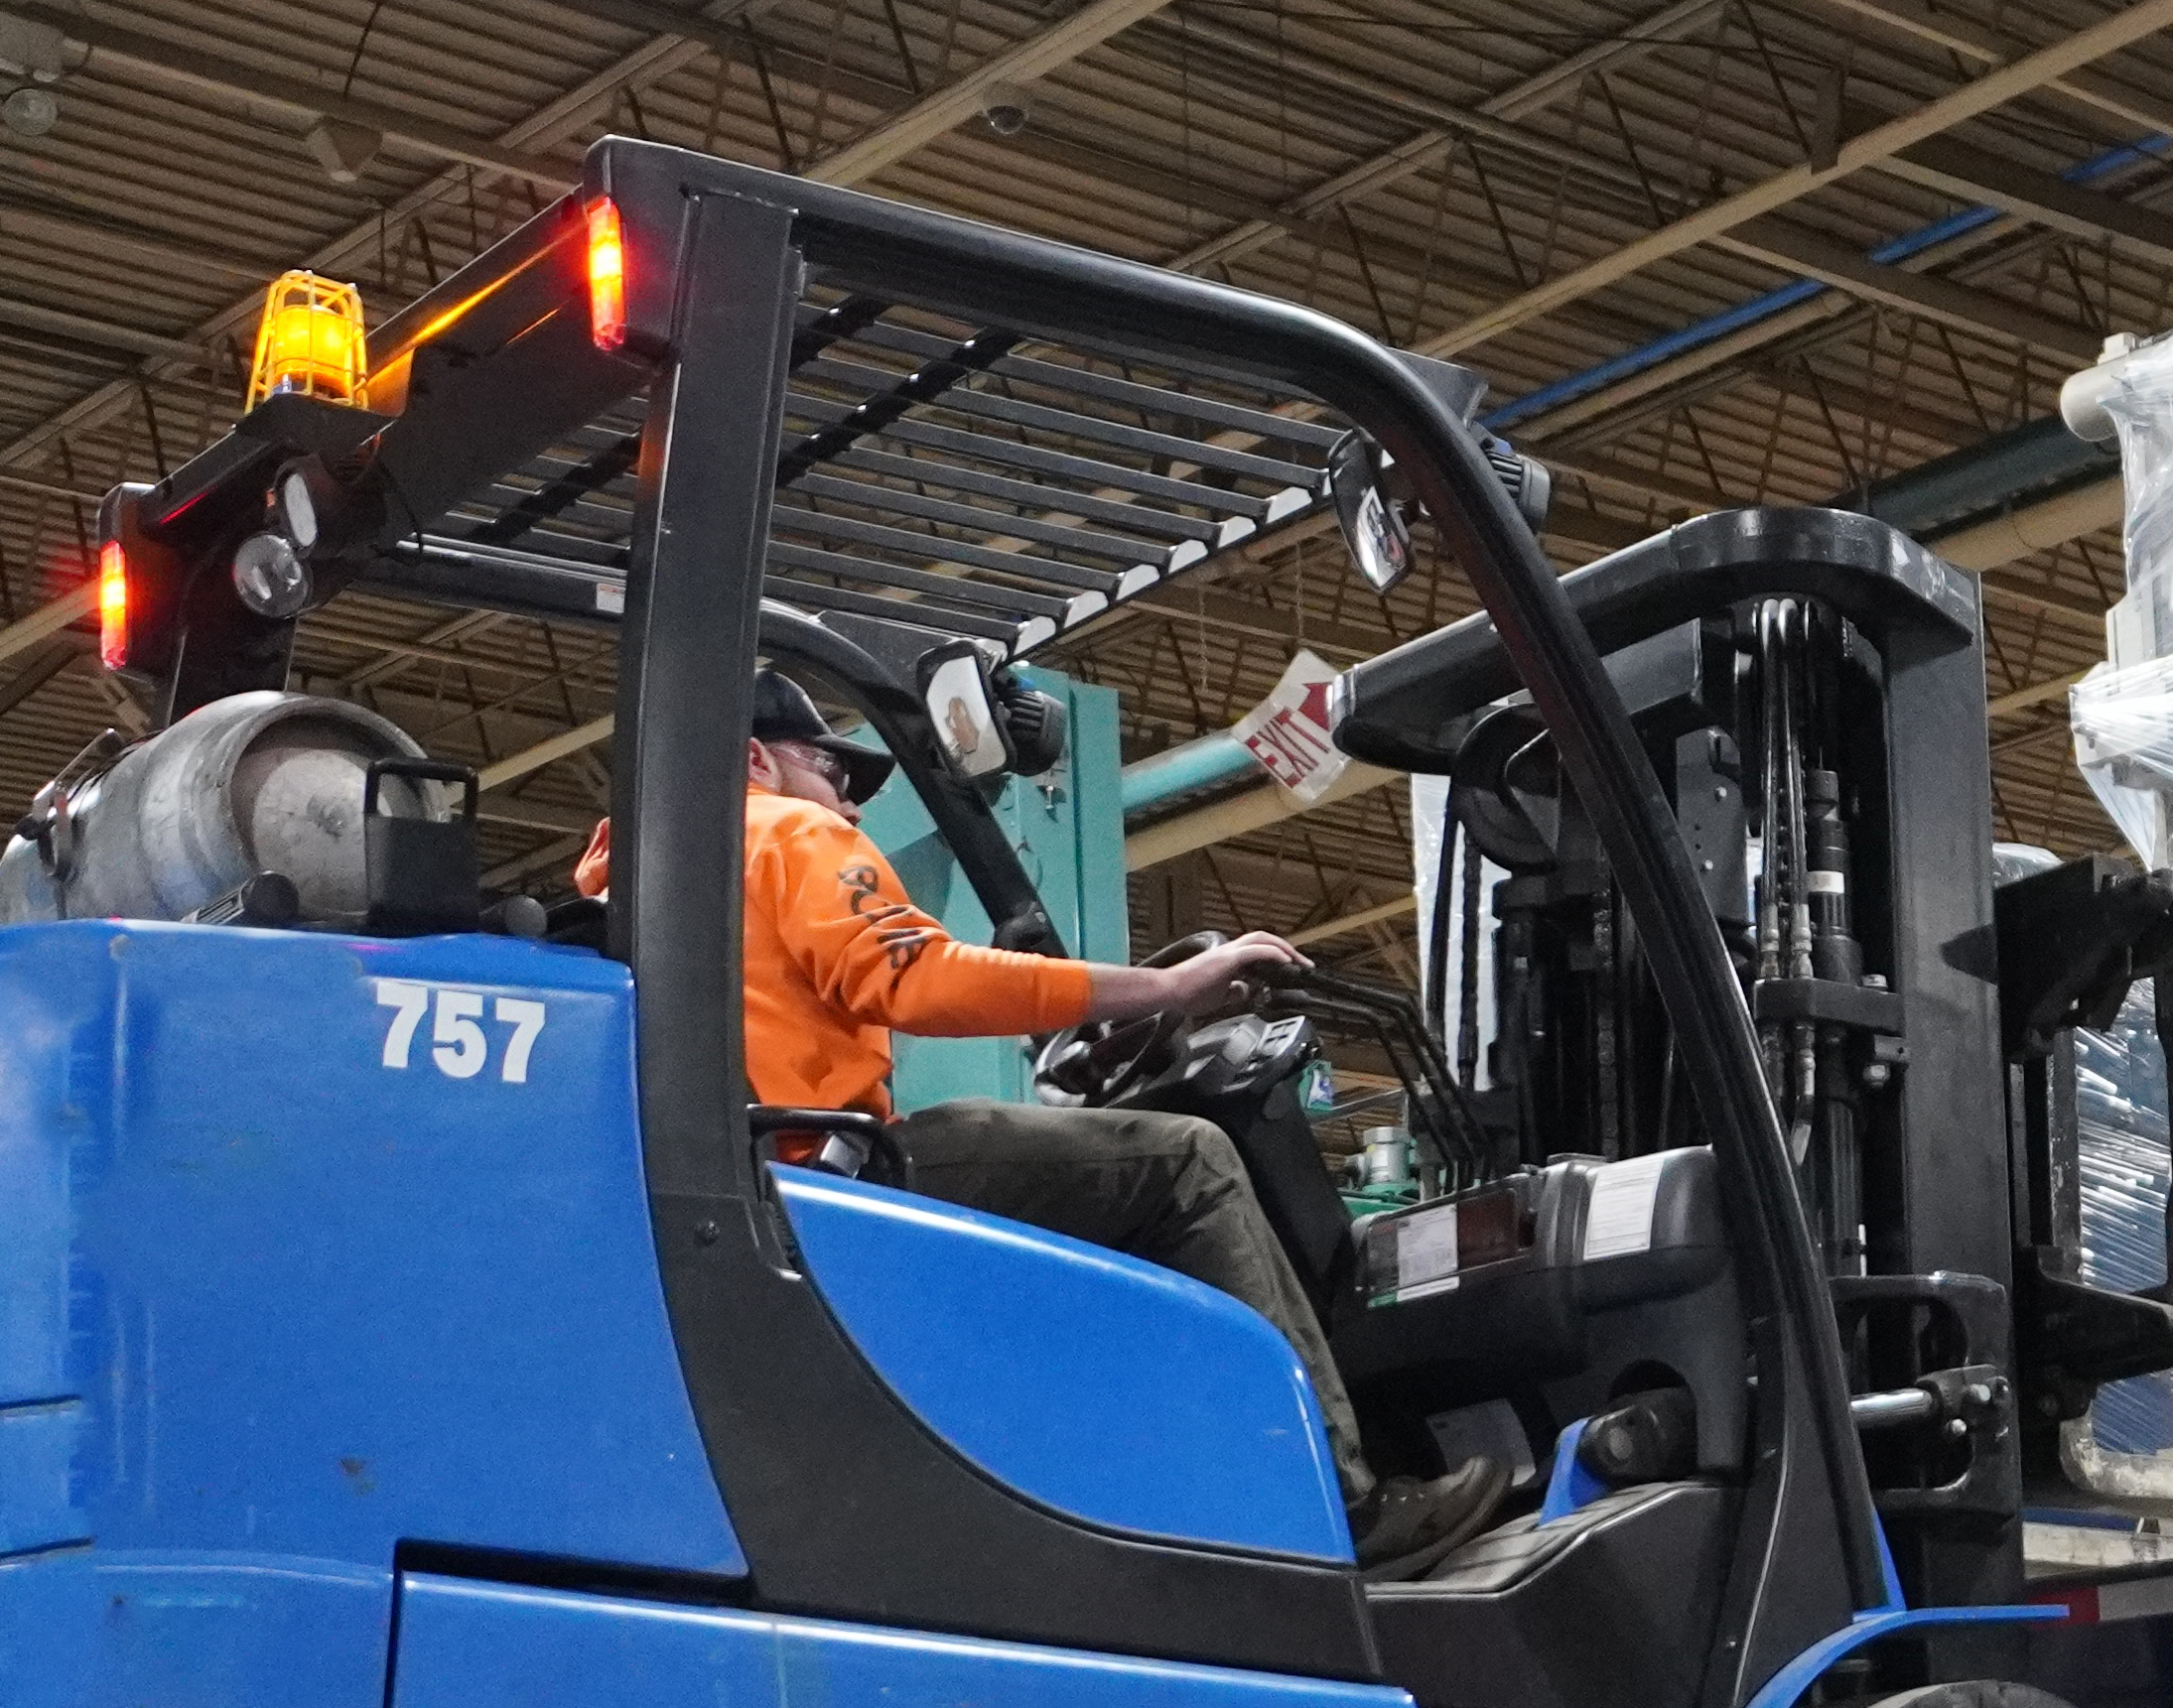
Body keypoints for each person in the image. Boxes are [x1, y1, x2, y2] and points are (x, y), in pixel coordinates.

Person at [584, 671, 1504, 1574]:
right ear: (754, 759)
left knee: (1047, 1158)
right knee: (1188, 1162)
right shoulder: (781, 831)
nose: (850, 810)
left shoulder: (626, 879)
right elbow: (914, 976)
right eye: (831, 773)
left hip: (750, 1182)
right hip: (822, 1177)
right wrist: (1166, 988)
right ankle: (1341, 1509)